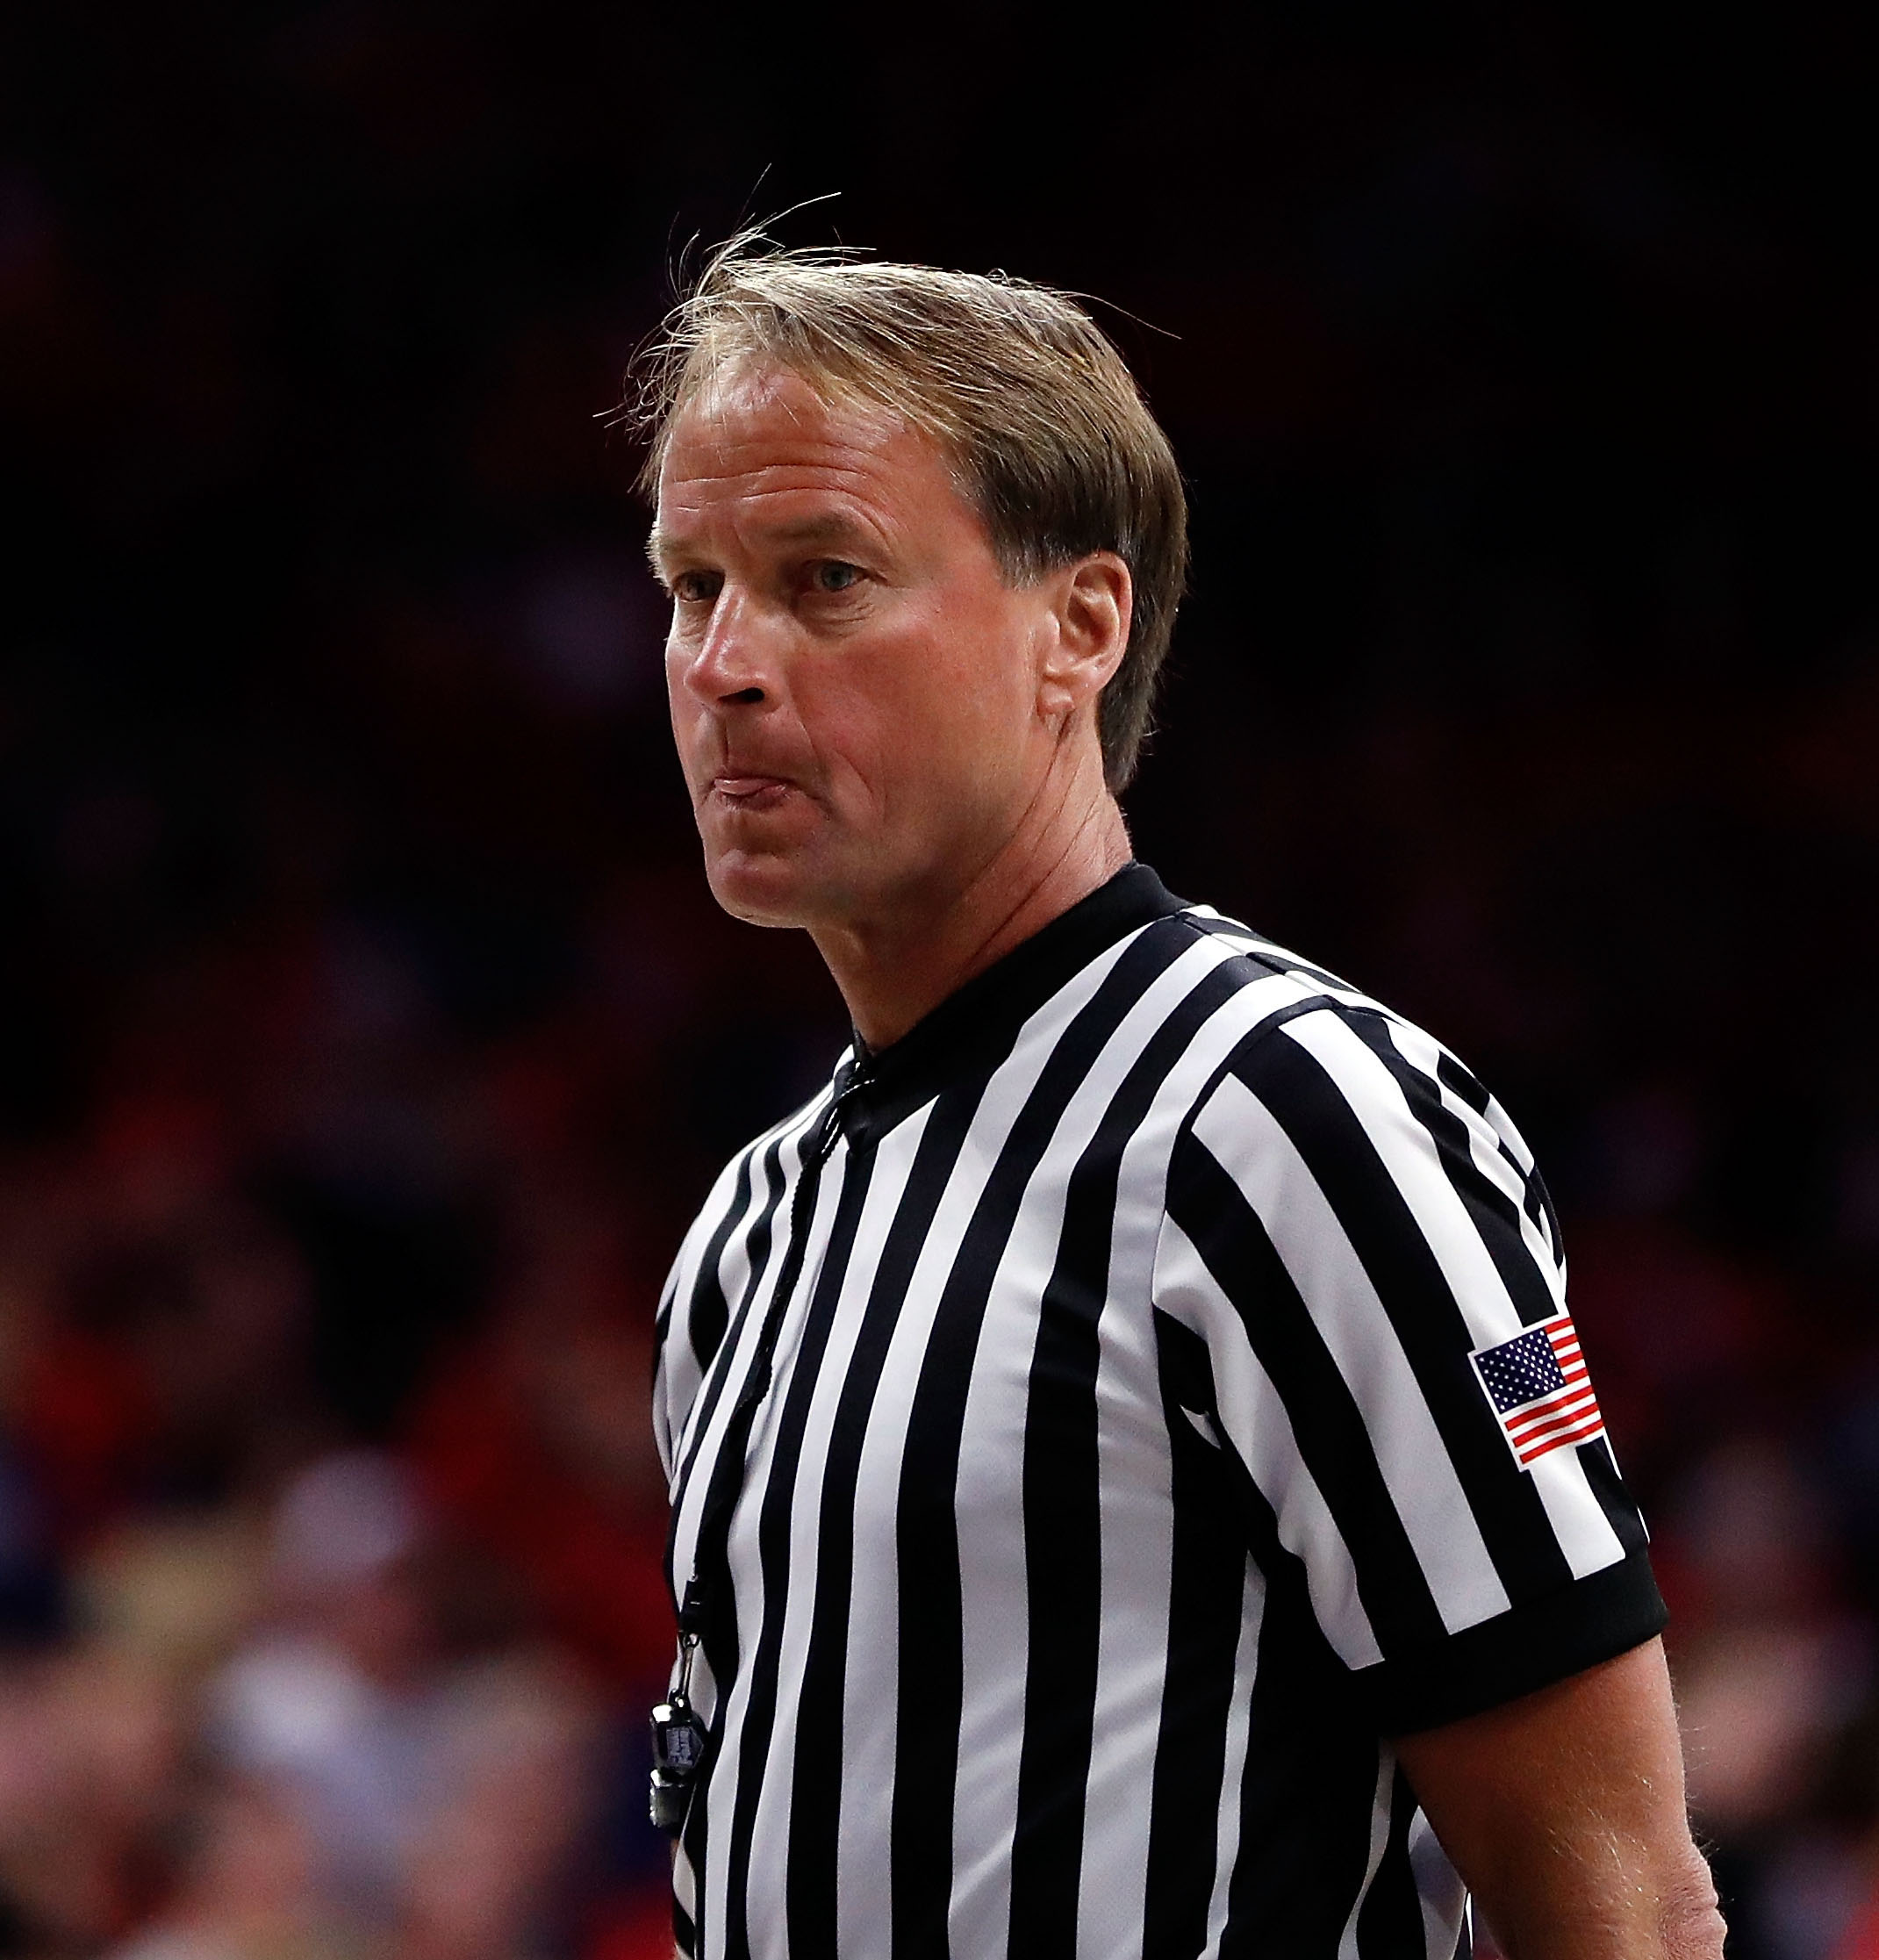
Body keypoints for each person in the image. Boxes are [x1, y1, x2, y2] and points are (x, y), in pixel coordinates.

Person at [633, 240, 1723, 1959]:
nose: (726, 663)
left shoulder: (1288, 1121)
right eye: (691, 586)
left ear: (1077, 626)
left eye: (824, 578)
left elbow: (1623, 1911)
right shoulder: (747, 1239)